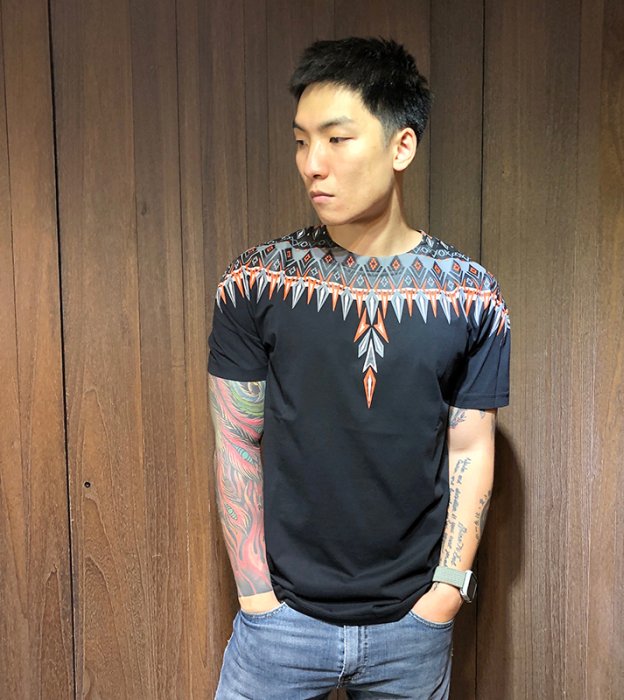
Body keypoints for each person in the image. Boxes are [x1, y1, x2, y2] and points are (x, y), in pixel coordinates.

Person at [207, 36, 510, 699]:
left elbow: (470, 446)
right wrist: (256, 596)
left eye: (337, 139)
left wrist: (444, 595)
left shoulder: (472, 296)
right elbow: (236, 438)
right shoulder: (254, 283)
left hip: (412, 630)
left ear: (402, 146)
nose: (312, 164)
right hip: (279, 624)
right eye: (301, 141)